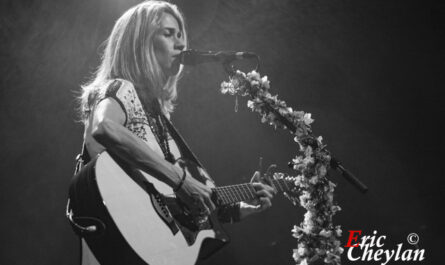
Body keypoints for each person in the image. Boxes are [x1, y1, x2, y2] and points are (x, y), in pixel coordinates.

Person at [76, 1, 276, 264]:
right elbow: (103, 128)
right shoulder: (121, 89)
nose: (181, 44)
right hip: (117, 237)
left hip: (147, 241)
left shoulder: (157, 113)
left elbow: (165, 198)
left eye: (181, 34)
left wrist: (240, 209)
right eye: (168, 33)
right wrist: (181, 181)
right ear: (139, 43)